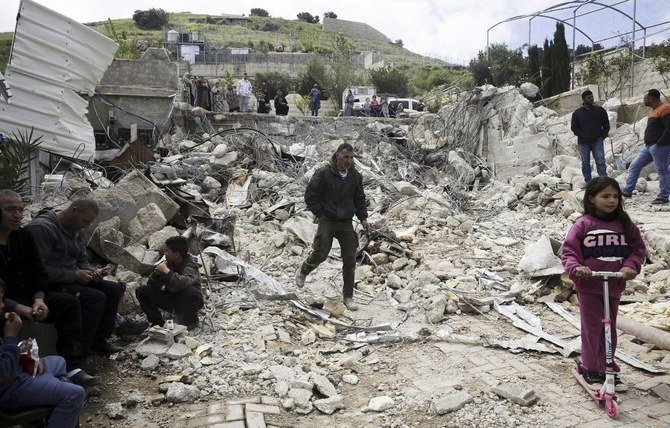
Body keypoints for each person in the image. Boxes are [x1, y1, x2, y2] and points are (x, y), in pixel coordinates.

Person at [0, 190, 95, 387]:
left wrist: (39, 298)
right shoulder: (42, 228)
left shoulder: (22, 237)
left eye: (20, 209)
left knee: (69, 304)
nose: (17, 215)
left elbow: (37, 272)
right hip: (5, 301)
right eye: (10, 210)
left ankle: (73, 366)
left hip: (28, 295)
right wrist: (18, 307)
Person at [561, 177, 645, 393]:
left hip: (614, 284)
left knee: (609, 328)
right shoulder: (583, 224)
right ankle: (591, 367)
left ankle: (608, 367)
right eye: (605, 196)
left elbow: (638, 250)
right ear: (592, 198)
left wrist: (630, 267)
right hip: (589, 285)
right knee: (592, 327)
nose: (611, 201)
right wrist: (577, 268)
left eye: (615, 196)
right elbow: (568, 252)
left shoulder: (625, 225)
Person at [27, 199, 125, 358]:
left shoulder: (77, 229)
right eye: (85, 221)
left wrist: (91, 272)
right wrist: (73, 275)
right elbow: (37, 269)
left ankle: (98, 341)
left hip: (70, 279)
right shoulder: (42, 228)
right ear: (73, 210)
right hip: (50, 284)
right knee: (95, 298)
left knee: (114, 289)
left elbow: (81, 258)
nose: (85, 226)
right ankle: (79, 354)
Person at [0, 279, 86, 428]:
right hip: (9, 389)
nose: (2, 305)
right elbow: (4, 373)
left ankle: (43, 416)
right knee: (74, 393)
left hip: (17, 375)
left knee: (58, 361)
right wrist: (10, 336)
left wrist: (26, 356)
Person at [295, 143, 371, 311]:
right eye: (345, 157)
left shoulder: (355, 176)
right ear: (337, 156)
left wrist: (363, 218)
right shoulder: (323, 173)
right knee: (321, 253)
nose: (349, 161)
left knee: (350, 260)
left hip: (346, 222)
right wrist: (320, 212)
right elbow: (310, 195)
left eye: (351, 157)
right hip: (327, 220)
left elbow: (359, 199)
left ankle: (348, 296)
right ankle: (304, 271)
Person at [135, 236, 203, 330]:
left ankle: (191, 322)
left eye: (167, 251)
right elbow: (152, 286)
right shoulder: (168, 263)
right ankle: (158, 323)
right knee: (142, 291)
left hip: (191, 301)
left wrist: (167, 272)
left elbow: (185, 282)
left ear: (176, 254)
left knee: (190, 291)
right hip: (172, 298)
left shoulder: (191, 264)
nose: (165, 254)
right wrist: (156, 274)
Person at [621, 89, 670, 205]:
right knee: (634, 165)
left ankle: (663, 196)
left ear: (651, 98)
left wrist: (660, 142)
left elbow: (669, 128)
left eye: (645, 98)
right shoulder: (653, 110)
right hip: (648, 146)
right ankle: (627, 191)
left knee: (662, 170)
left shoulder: (665, 109)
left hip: (659, 147)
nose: (643, 100)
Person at [571, 90, 610, 183]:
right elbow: (574, 127)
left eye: (592, 97)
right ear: (583, 99)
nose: (591, 99)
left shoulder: (600, 110)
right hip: (583, 142)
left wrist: (602, 136)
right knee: (585, 162)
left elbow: (606, 124)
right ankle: (588, 181)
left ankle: (603, 180)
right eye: (588, 97)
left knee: (600, 160)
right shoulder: (577, 113)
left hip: (597, 140)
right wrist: (582, 134)